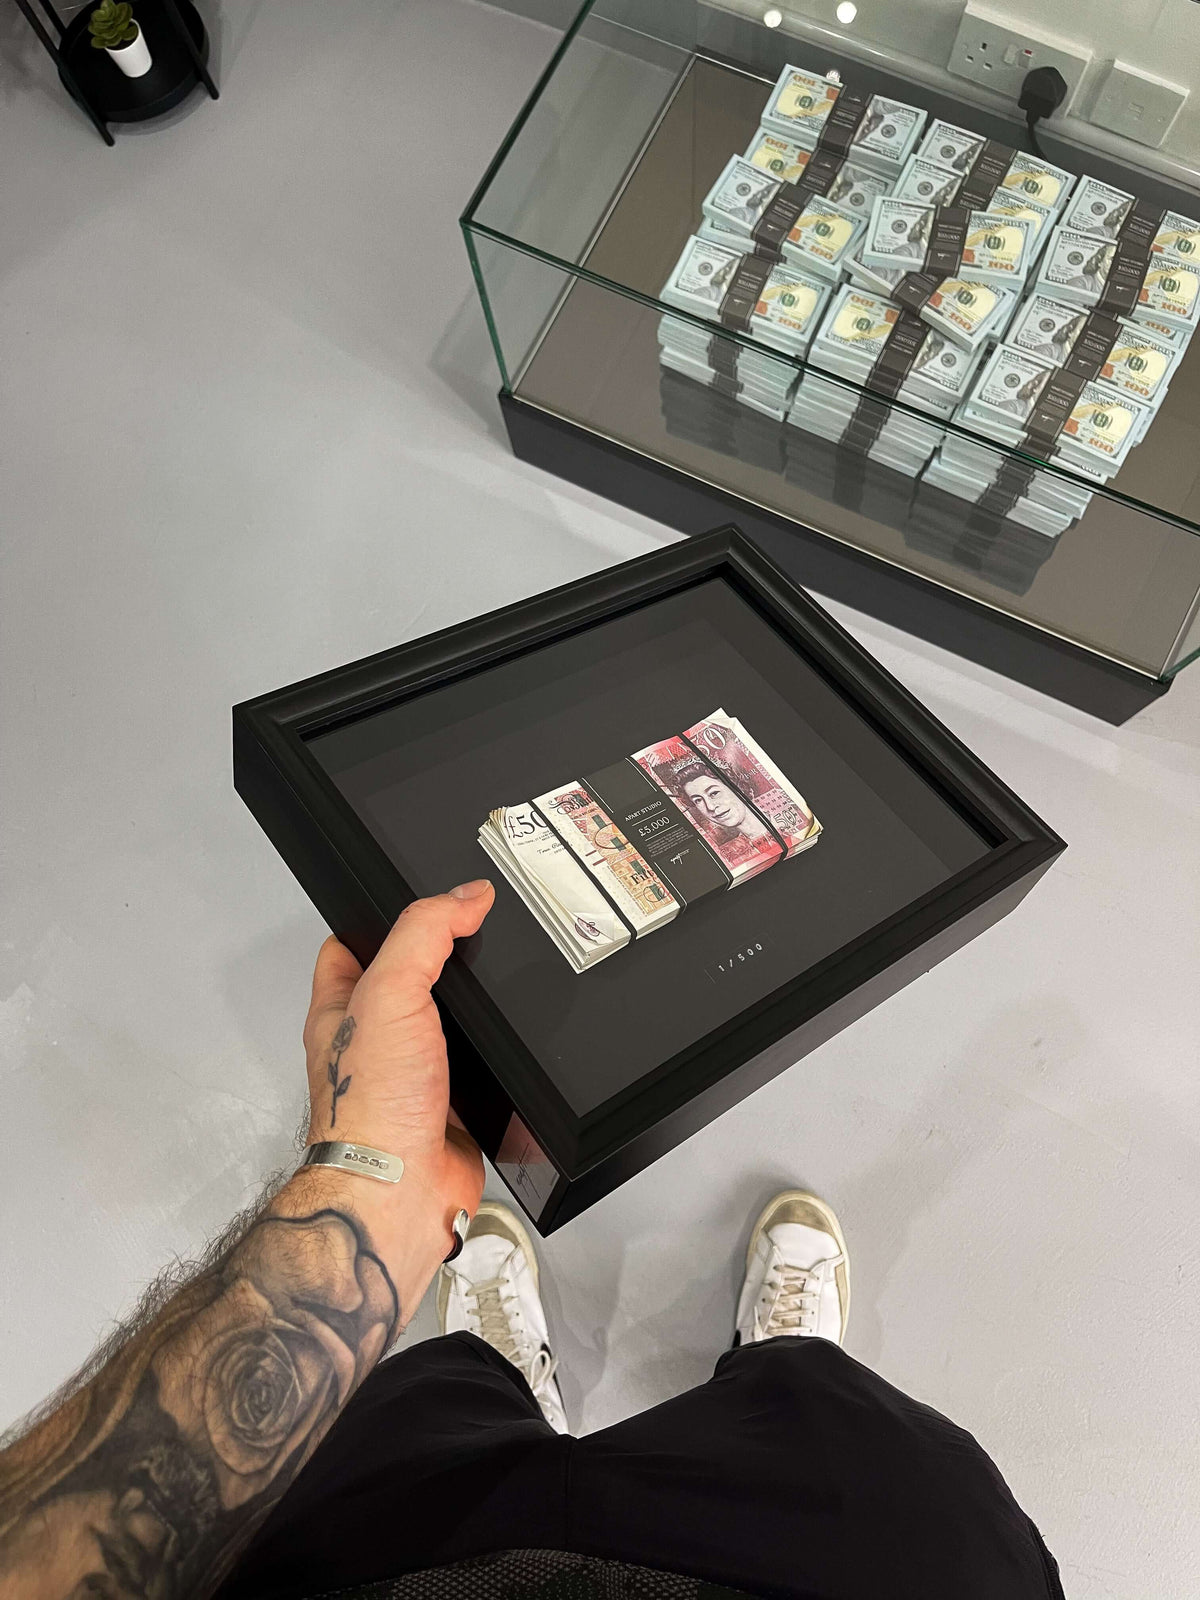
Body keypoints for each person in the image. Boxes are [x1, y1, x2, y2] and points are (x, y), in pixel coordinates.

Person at [0, 883, 1065, 1600]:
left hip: (384, 1562)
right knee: (880, 1481)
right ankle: (787, 1371)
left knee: (427, 1416)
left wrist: (379, 1190)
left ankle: (495, 1377)